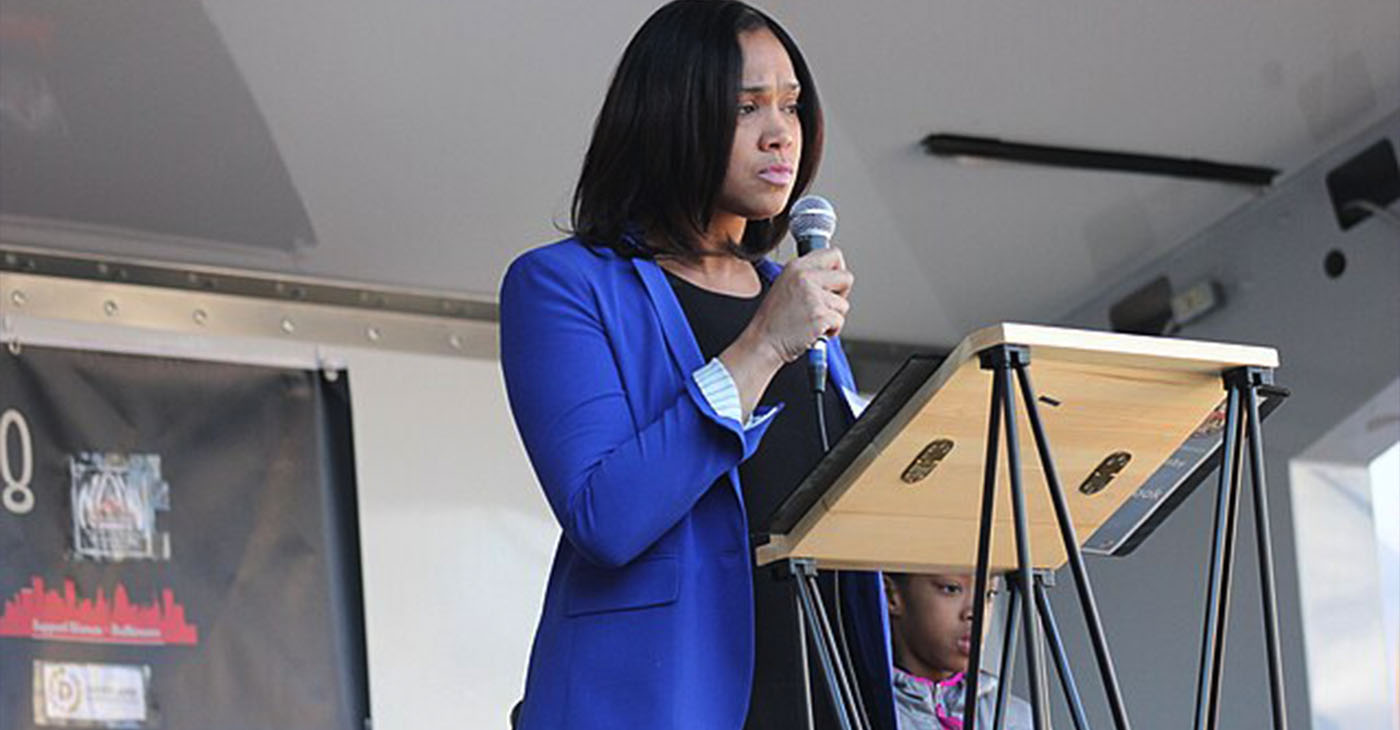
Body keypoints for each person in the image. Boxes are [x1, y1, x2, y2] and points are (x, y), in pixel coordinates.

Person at [499, 2, 891, 728]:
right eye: (747, 108)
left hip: (826, 702)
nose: (782, 135)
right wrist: (761, 348)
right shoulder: (562, 286)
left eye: (792, 105)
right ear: (669, 117)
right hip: (666, 706)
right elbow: (605, 517)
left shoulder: (792, 297)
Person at [883, 573, 1033, 730]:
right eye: (951, 589)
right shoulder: (863, 711)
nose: (976, 613)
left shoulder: (1017, 720)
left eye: (988, 594)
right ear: (891, 595)